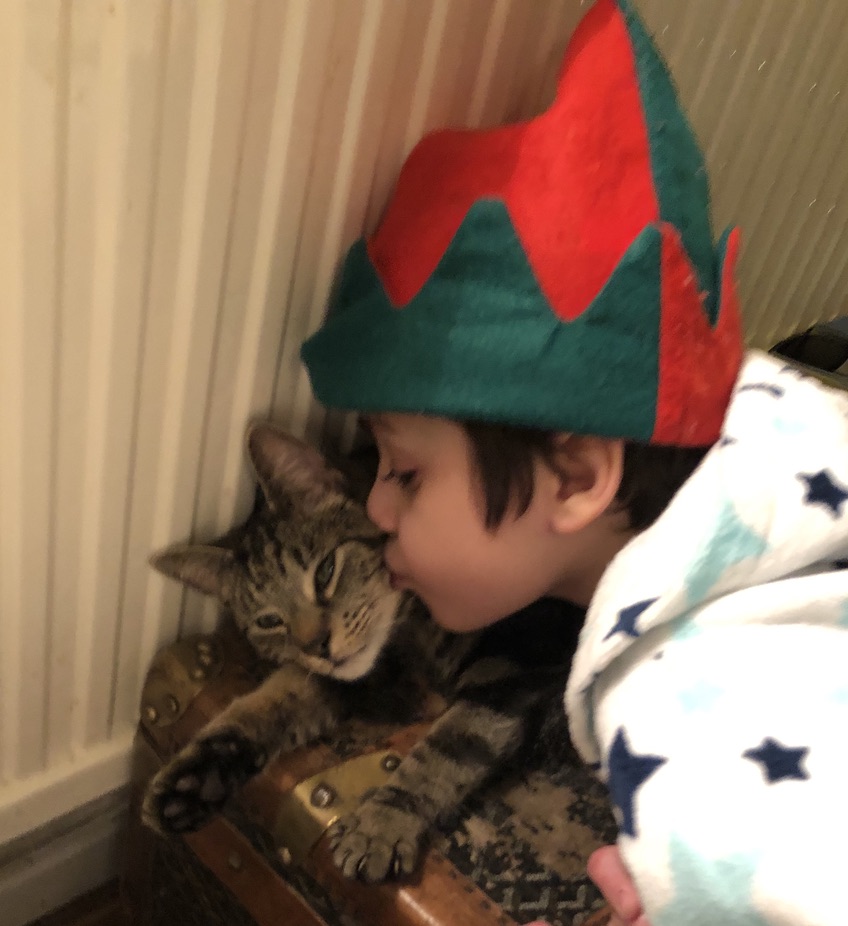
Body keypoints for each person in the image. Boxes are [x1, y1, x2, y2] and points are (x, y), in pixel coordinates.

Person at [301, 0, 848, 922]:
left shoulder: (688, 716)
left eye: (406, 473)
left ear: (581, 478)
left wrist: (695, 891)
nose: (377, 511)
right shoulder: (772, 441)